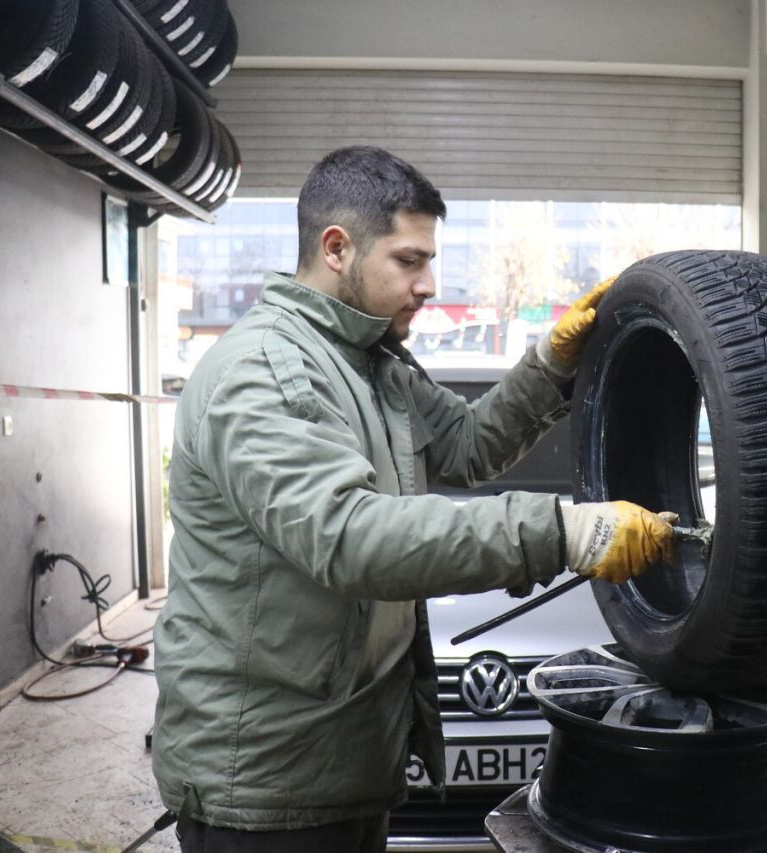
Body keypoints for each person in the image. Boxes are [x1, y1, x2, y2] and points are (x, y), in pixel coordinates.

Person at [152, 146, 676, 852]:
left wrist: (552, 363)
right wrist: (565, 531)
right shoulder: (266, 371)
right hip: (266, 782)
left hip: (345, 757)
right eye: (408, 259)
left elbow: (467, 445)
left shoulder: (370, 360)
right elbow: (348, 536)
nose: (429, 282)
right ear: (337, 248)